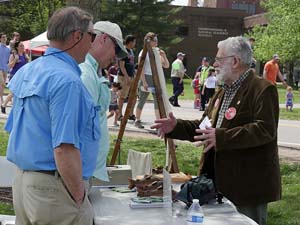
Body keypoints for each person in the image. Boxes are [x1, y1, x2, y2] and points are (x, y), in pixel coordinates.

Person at [151, 36, 281, 225]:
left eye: (219, 59)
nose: (214, 64)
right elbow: (204, 127)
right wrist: (176, 126)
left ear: (235, 61)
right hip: (217, 183)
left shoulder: (262, 89)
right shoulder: (223, 91)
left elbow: (264, 129)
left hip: (247, 187)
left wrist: (221, 137)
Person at [5, 7, 99, 225]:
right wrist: (79, 198)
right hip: (53, 189)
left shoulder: (29, 70)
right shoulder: (67, 81)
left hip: (24, 183)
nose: (92, 43)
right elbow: (64, 148)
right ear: (78, 36)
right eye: (91, 36)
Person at [80, 20, 127, 182]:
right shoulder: (85, 73)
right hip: (80, 172)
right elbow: (78, 129)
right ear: (104, 39)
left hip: (86, 171)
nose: (115, 57)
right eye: (116, 49)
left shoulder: (92, 71)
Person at [134, 32, 169, 128]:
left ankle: (157, 123)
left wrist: (164, 55)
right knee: (142, 99)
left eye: (157, 40)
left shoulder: (157, 51)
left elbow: (166, 65)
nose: (157, 42)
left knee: (158, 101)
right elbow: (141, 68)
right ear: (149, 41)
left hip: (156, 79)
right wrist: (144, 81)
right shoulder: (143, 52)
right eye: (155, 40)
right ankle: (137, 120)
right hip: (146, 77)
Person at [1, 41, 29, 114]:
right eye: (21, 46)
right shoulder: (13, 55)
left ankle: (18, 108)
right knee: (13, 92)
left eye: (23, 46)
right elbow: (9, 66)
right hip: (14, 75)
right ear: (17, 47)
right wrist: (15, 60)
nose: (22, 47)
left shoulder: (24, 55)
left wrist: (27, 60)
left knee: (22, 92)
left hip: (23, 75)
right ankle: (3, 105)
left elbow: (27, 66)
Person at [117, 35, 137, 121]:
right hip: (123, 77)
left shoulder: (131, 51)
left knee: (134, 95)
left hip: (132, 76)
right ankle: (119, 114)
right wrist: (126, 77)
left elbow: (132, 64)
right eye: (134, 42)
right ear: (130, 42)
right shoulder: (123, 51)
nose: (135, 44)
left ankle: (130, 113)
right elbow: (122, 66)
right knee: (122, 96)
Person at [0, 32, 10, 107]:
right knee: (2, 82)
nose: (4, 38)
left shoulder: (8, 49)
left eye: (5, 37)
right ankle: (1, 100)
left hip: (5, 68)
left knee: (2, 85)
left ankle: (1, 99)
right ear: (0, 39)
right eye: (3, 37)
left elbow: (8, 60)